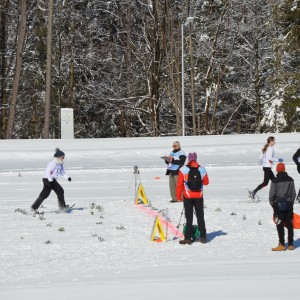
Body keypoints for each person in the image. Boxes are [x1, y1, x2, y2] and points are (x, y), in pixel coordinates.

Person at [176, 152, 209, 245]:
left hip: (187, 196)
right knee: (200, 216)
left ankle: (188, 238)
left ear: (188, 159)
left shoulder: (183, 169)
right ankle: (203, 237)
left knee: (189, 217)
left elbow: (179, 184)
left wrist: (178, 196)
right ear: (196, 158)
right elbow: (206, 182)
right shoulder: (202, 169)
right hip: (199, 196)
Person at [31, 148, 72, 213]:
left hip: (50, 180)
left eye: (63, 157)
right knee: (60, 191)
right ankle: (62, 206)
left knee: (44, 194)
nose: (63, 158)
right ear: (58, 157)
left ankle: (34, 207)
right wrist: (50, 180)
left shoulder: (60, 164)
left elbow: (62, 172)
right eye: (62, 157)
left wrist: (68, 177)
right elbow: (48, 171)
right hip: (48, 179)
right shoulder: (53, 163)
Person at [269, 163, 296, 251]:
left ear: (277, 170)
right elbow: (293, 193)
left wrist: (273, 204)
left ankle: (282, 244)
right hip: (289, 204)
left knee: (279, 224)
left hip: (278, 205)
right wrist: (291, 202)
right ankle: (291, 244)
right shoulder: (290, 179)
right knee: (289, 224)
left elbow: (271, 194)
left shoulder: (275, 180)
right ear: (284, 169)